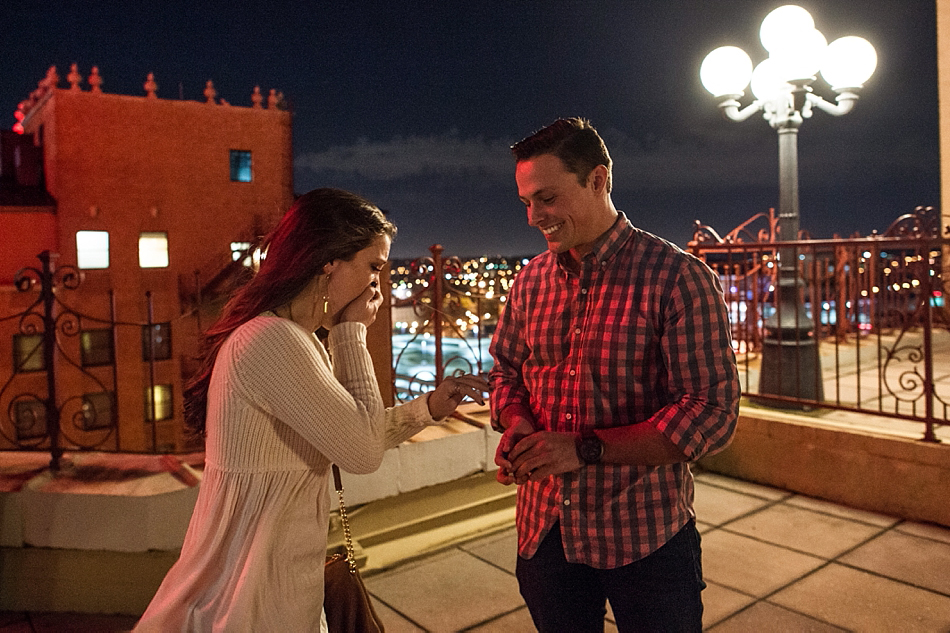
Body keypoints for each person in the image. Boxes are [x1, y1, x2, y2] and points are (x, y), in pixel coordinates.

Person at [135, 188, 488, 632]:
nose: (378, 286)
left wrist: (428, 408)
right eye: (373, 267)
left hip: (275, 577)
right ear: (329, 262)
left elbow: (349, 434)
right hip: (251, 590)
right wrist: (351, 332)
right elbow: (361, 452)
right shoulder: (271, 341)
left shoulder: (293, 339)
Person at [490, 118, 740, 632]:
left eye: (548, 198)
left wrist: (583, 447)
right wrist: (516, 424)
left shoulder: (678, 277)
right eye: (528, 203)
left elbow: (711, 414)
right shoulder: (530, 282)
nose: (536, 217)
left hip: (643, 536)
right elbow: (506, 373)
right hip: (544, 532)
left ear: (599, 180)